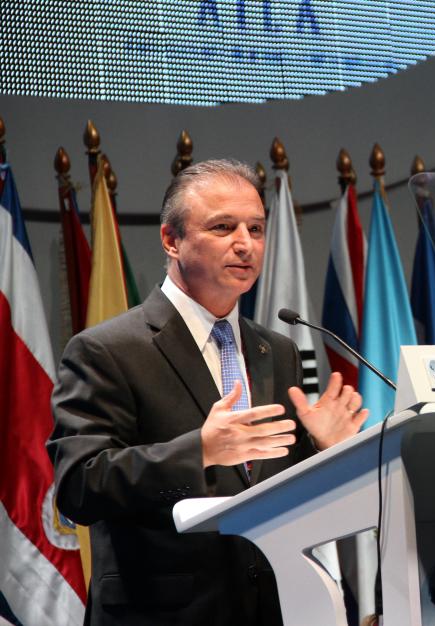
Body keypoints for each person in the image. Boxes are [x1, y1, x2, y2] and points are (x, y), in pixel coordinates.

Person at [47, 159, 368, 626]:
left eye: (256, 229)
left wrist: (322, 452)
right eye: (223, 227)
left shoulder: (276, 350)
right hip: (161, 614)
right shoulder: (105, 350)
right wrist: (198, 451)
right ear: (171, 240)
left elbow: (271, 489)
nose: (245, 244)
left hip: (271, 610)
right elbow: (79, 486)